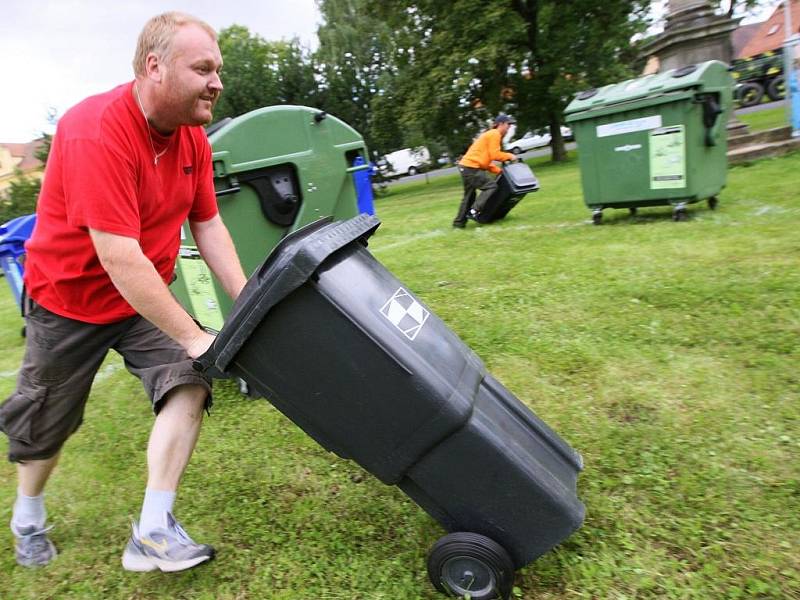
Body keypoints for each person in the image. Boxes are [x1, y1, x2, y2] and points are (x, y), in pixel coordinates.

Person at [0, 12, 248, 572]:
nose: (217, 82)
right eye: (204, 69)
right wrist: (194, 335)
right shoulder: (95, 129)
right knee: (46, 424)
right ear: (155, 67)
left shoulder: (192, 139)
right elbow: (118, 255)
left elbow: (206, 224)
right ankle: (28, 516)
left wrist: (248, 298)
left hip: (140, 300)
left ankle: (153, 530)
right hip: (68, 302)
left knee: (188, 383)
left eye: (218, 69)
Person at [453, 114, 517, 228]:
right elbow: (495, 155)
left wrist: (498, 171)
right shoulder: (495, 134)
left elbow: (485, 160)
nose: (509, 127)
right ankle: (474, 210)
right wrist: (510, 156)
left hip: (467, 167)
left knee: (469, 197)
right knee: (491, 186)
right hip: (471, 168)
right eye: (508, 124)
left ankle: (459, 223)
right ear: (501, 124)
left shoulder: (490, 134)